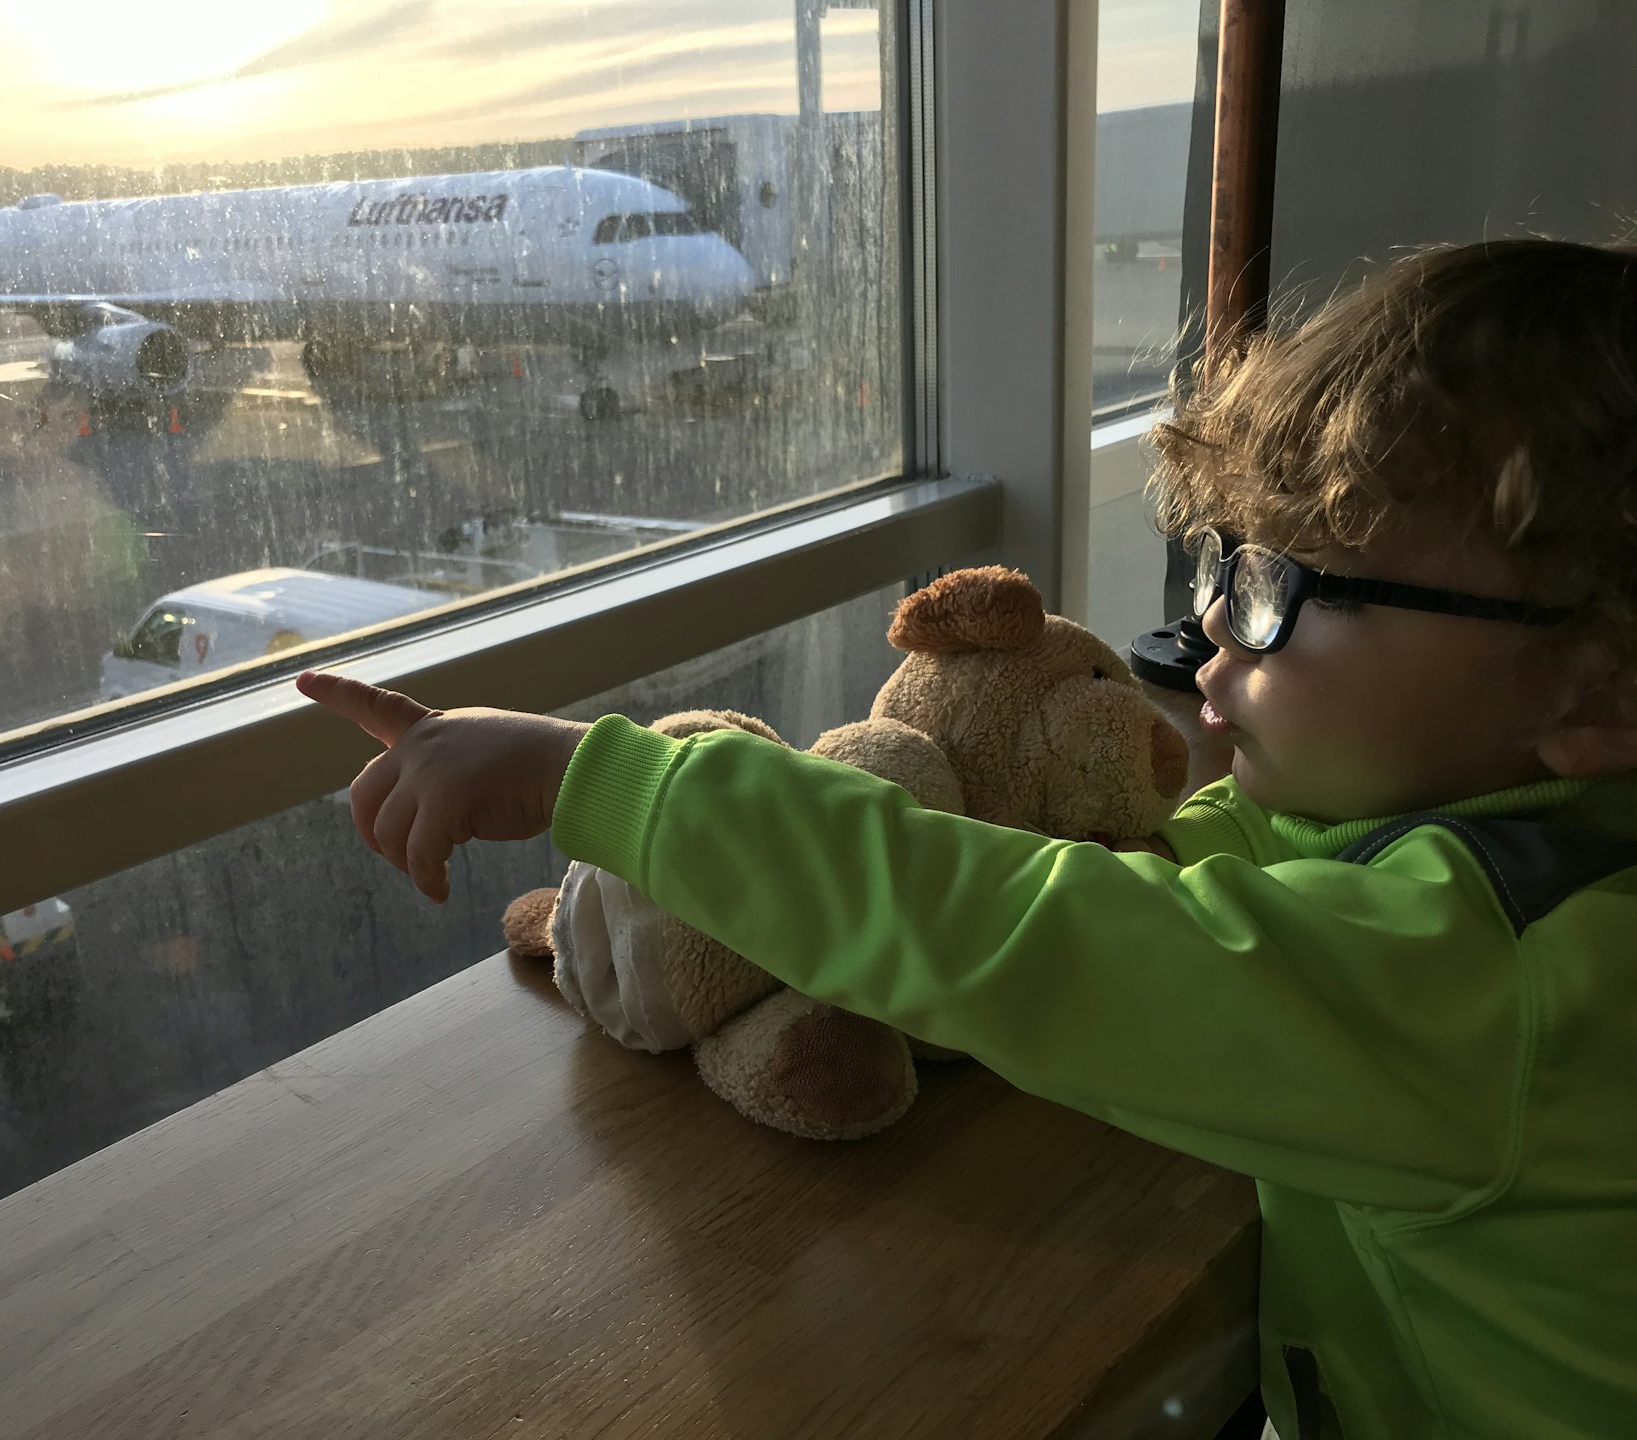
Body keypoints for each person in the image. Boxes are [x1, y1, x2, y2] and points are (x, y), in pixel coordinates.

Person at [297, 238, 1637, 1440]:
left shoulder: (1498, 988)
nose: (1220, 623)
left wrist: (607, 780)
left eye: (1284, 586)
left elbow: (1031, 935)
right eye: (1224, 564)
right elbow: (1161, 884)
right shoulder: (1475, 856)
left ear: (1594, 693)